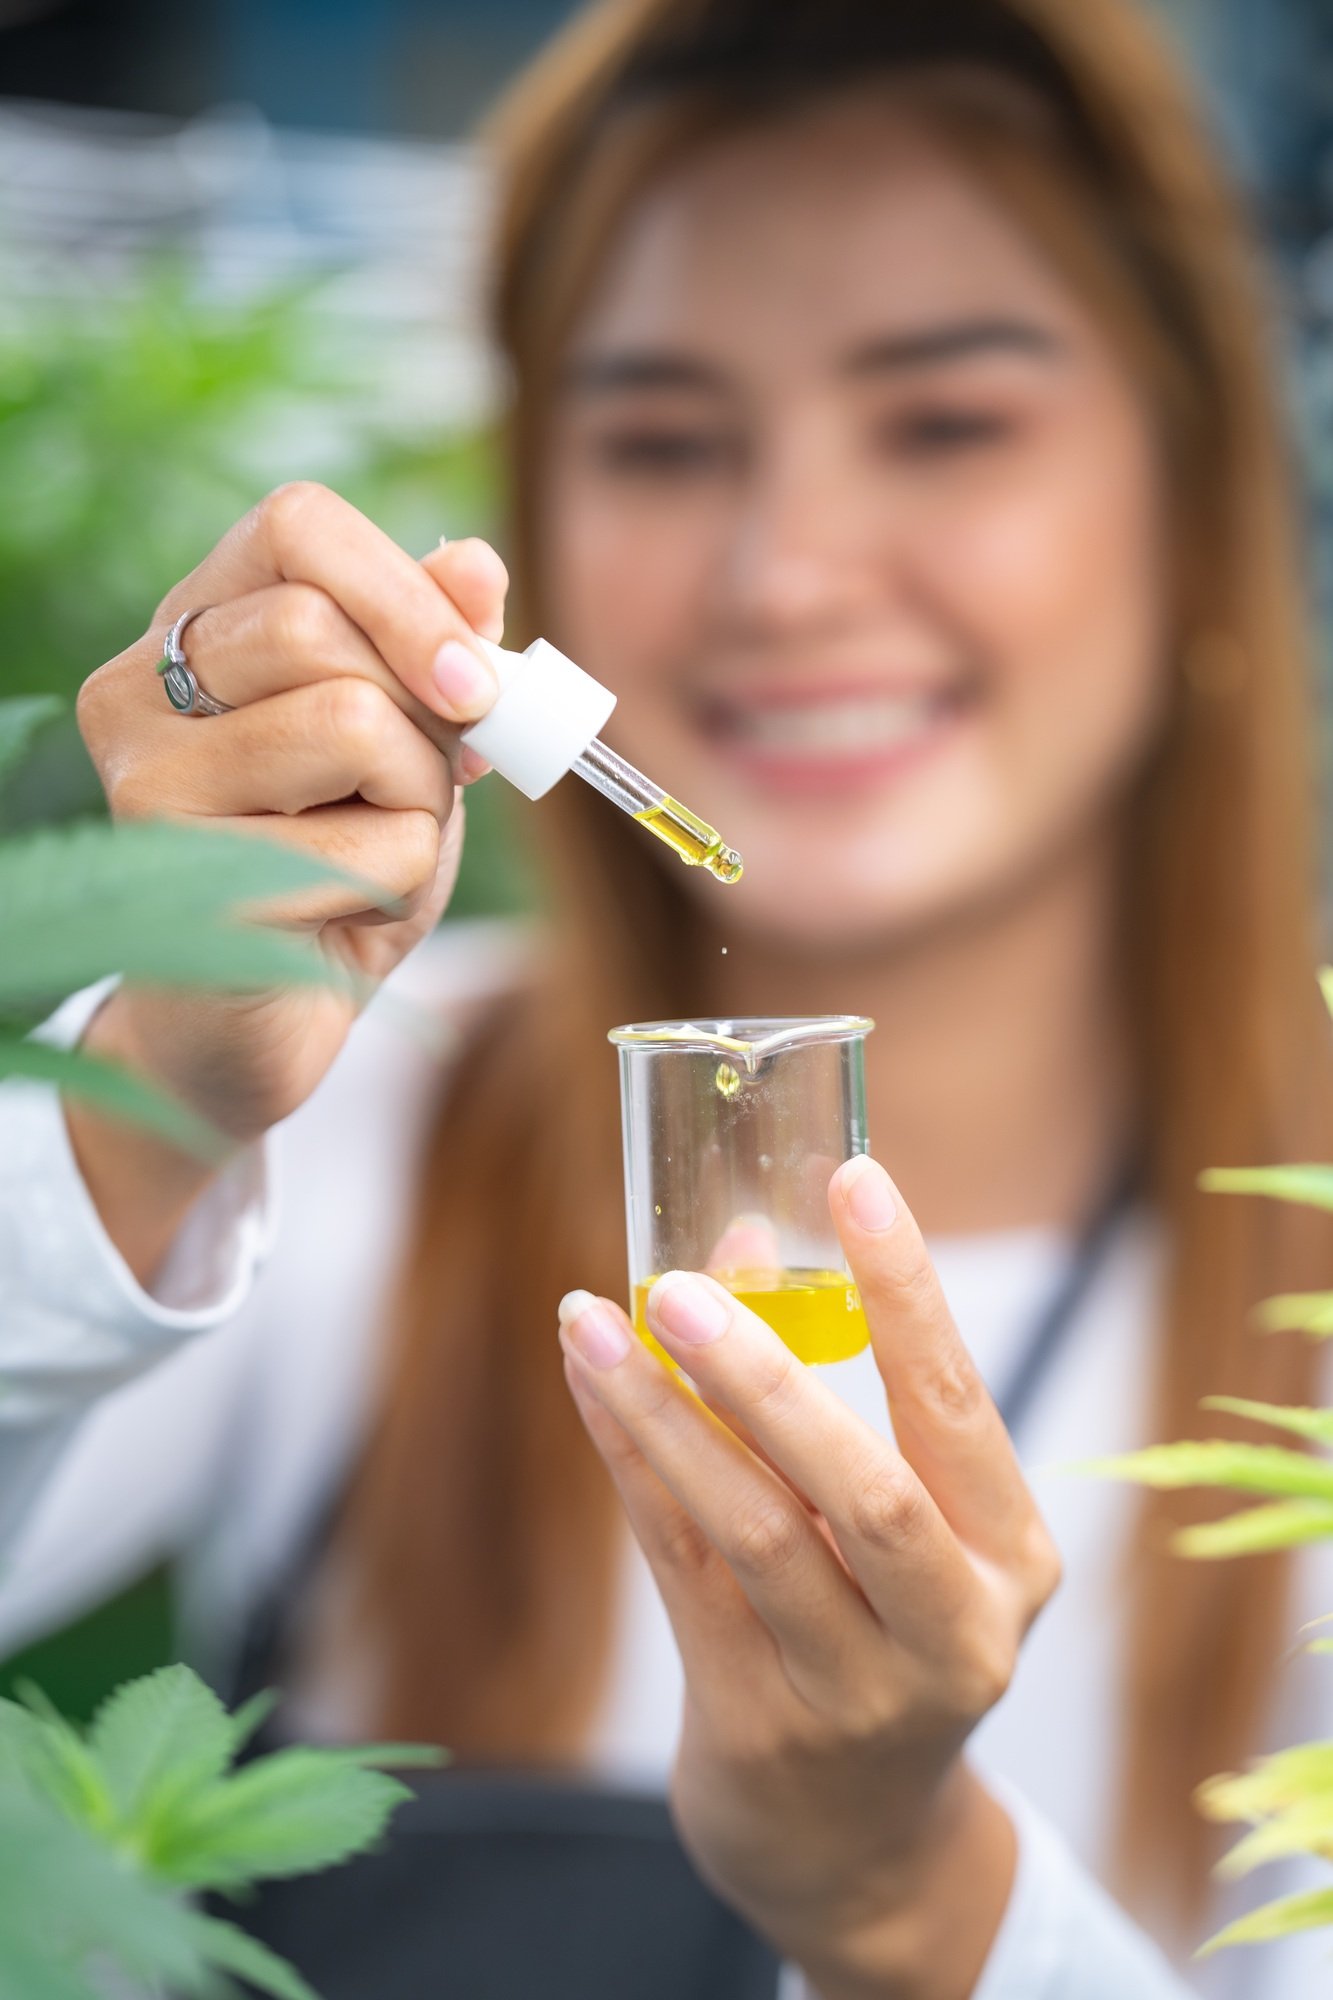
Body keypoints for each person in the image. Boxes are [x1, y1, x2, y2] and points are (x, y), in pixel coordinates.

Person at [2, 0, 1330, 1992]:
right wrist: (148, 1089)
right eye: (660, 437)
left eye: (947, 421)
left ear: (1194, 493)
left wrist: (904, 1890)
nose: (786, 573)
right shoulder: (354, 1111)